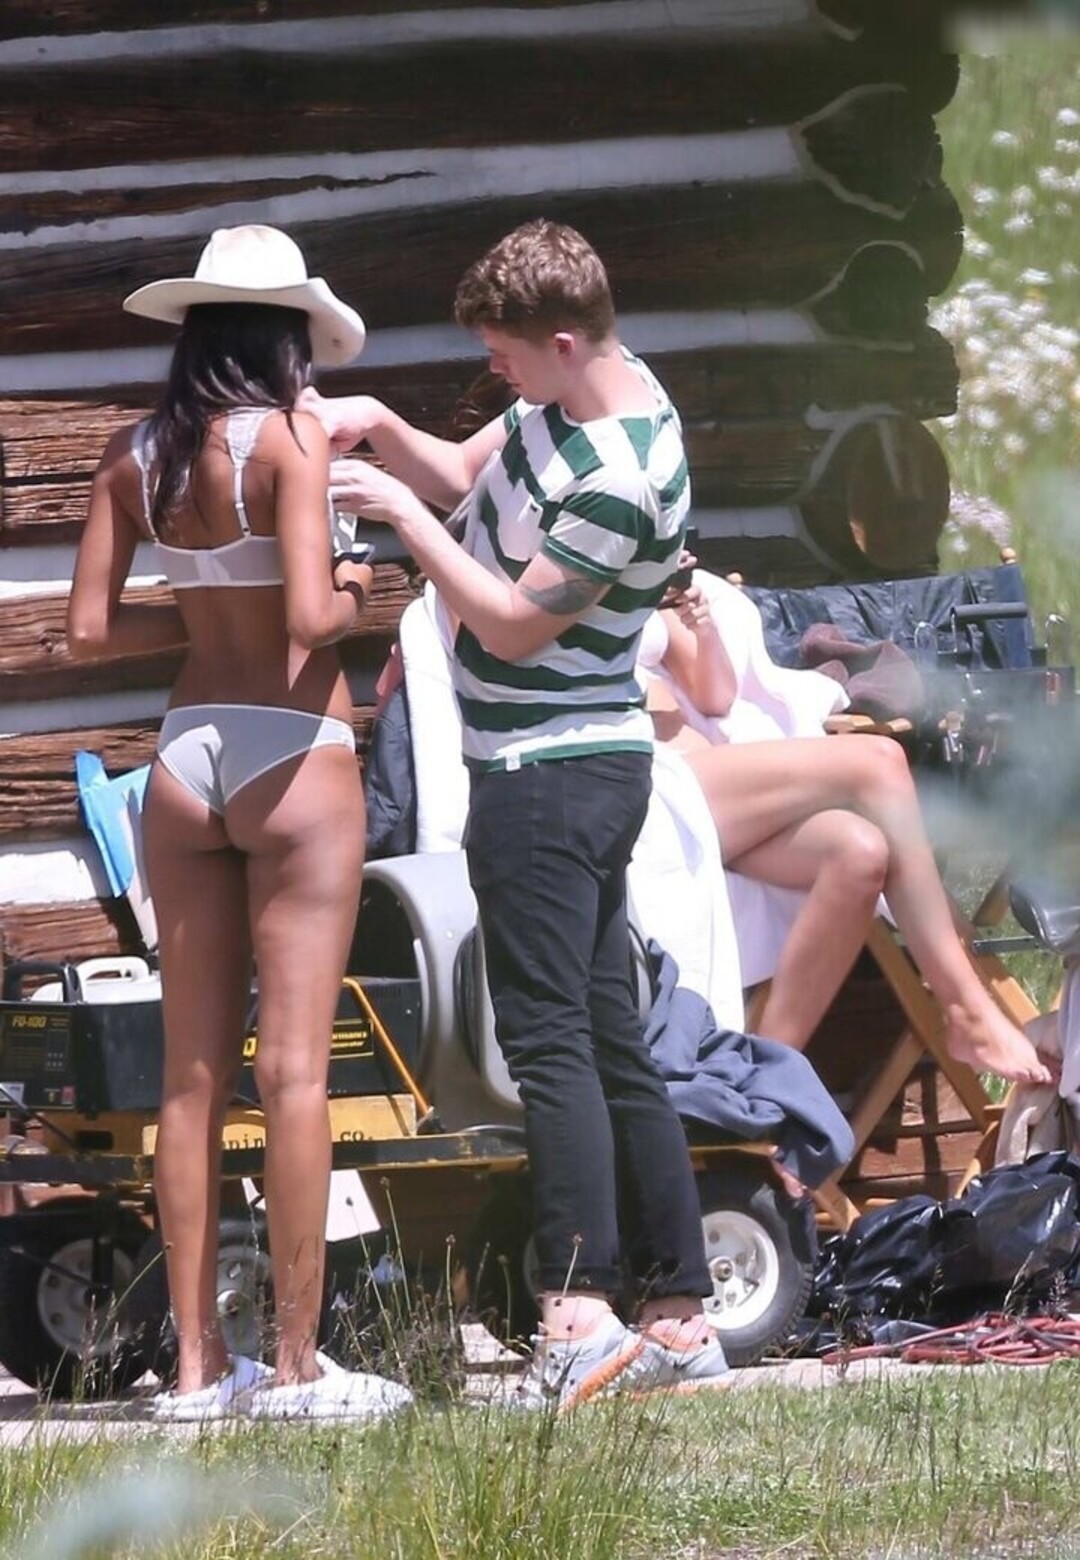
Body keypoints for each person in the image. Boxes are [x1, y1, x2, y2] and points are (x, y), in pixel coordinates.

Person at [304, 219, 729, 1406]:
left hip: (549, 779)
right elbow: (465, 473)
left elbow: (508, 621)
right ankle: (678, 1317)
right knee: (608, 1039)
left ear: (562, 340)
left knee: (548, 1044)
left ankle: (577, 1313)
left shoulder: (619, 478)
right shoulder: (573, 398)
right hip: (568, 772)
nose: (492, 370)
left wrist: (398, 515)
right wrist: (384, 432)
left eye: (504, 352)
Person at [67, 224, 414, 1423]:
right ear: (284, 340)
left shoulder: (136, 453)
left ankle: (198, 1370)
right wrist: (361, 584)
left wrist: (206, 612)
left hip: (187, 755)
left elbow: (89, 631)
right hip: (293, 748)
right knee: (297, 1073)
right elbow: (313, 616)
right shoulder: (294, 441)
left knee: (191, 1078)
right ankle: (300, 1365)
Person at [641, 573, 1053, 1085]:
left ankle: (755, 1081)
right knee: (878, 763)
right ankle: (966, 1009)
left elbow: (715, 696)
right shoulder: (565, 566)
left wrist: (700, 625)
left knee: (860, 851)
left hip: (714, 799)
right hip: (646, 790)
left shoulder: (629, 563)